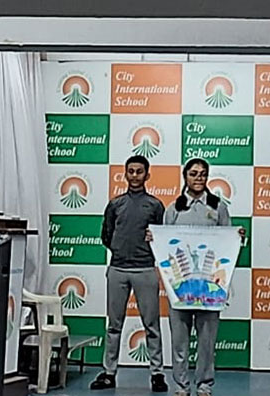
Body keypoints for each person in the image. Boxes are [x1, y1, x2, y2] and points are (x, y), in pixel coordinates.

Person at [161, 158, 245, 396]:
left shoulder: (218, 207)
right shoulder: (173, 208)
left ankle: (205, 384)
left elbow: (229, 242)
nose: (198, 178)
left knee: (207, 340)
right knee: (179, 339)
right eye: (193, 173)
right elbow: (164, 244)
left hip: (209, 286)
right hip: (180, 286)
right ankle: (181, 385)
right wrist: (153, 238)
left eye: (203, 174)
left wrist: (237, 236)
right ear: (185, 176)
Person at [91, 155, 168, 392]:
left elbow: (161, 238)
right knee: (114, 325)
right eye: (131, 171)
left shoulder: (155, 205)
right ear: (125, 174)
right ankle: (109, 373)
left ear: (147, 175)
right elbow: (106, 235)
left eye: (139, 171)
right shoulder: (115, 204)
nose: (135, 175)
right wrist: (120, 250)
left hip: (145, 269)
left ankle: (157, 374)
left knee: (152, 325)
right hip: (117, 270)